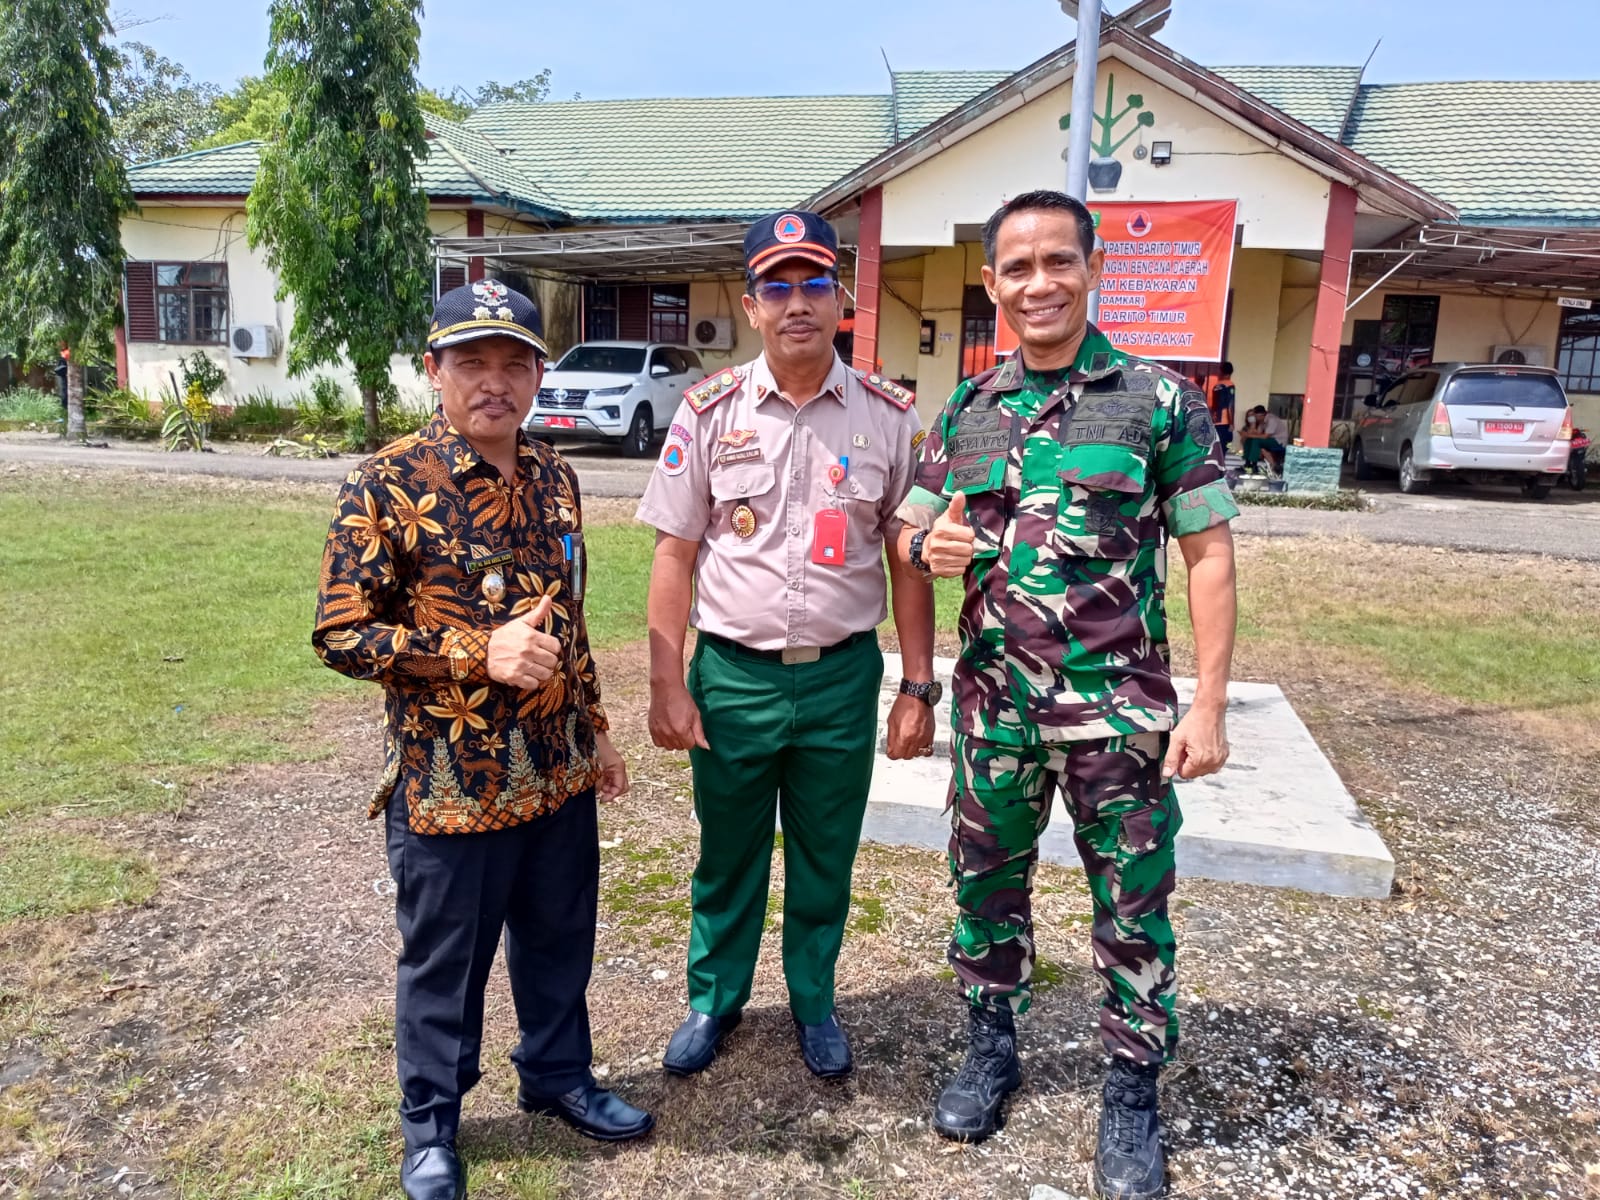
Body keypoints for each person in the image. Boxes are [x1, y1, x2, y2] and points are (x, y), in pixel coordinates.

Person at [895, 191, 1239, 1200]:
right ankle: (989, 1048)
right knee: (984, 891)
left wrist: (1208, 706)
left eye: (1057, 262)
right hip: (993, 713)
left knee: (1132, 908)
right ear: (991, 283)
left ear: (1091, 270)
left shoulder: (1156, 400)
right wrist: (928, 543)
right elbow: (911, 534)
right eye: (1016, 267)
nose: (1037, 282)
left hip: (1117, 719)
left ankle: (1131, 1092)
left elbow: (1209, 552)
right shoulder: (967, 408)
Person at [313, 281, 653, 1200]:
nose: (494, 382)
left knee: (559, 940)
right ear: (435, 371)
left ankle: (557, 1076)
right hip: (448, 781)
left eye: (514, 363)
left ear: (540, 373)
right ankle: (432, 1126)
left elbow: (566, 620)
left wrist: (597, 730)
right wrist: (476, 652)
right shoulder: (386, 483)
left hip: (554, 771)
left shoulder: (555, 475)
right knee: (444, 964)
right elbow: (342, 634)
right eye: (472, 363)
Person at [636, 210, 937, 1082]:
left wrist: (918, 686)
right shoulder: (709, 411)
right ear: (751, 304)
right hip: (733, 677)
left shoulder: (887, 417)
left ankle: (814, 1000)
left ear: (841, 300)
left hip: (842, 678)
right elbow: (674, 551)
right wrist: (666, 682)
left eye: (814, 284)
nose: (797, 302)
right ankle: (714, 1000)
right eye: (779, 286)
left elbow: (906, 559)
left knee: (823, 853)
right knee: (726, 852)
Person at [1241, 404, 1289, 473]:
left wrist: (1250, 435)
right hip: (1270, 440)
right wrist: (1252, 426)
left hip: (1279, 441)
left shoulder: (1272, 420)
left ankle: (1254, 466)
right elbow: (1258, 433)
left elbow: (1265, 436)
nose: (1254, 418)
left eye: (1255, 416)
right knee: (1249, 440)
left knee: (1256, 441)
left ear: (1261, 415)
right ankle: (1247, 463)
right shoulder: (1262, 421)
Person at [1210, 361, 1236, 452]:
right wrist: (1232, 423)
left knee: (1216, 448)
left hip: (1215, 421)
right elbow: (1230, 405)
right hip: (1225, 422)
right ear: (1231, 371)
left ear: (1221, 371)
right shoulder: (1229, 385)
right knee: (1225, 446)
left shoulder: (1216, 385)